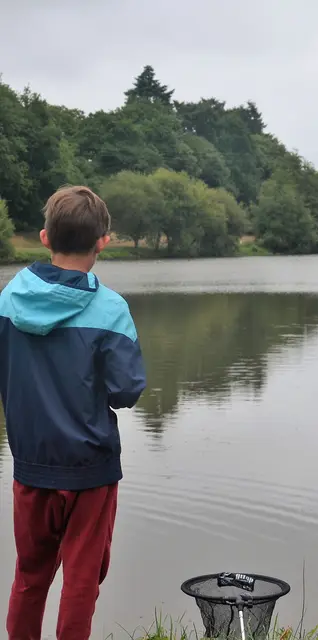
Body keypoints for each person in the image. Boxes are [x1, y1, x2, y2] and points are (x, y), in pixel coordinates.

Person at [0, 186, 147, 640]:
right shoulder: (111, 308)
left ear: (44, 237)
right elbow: (125, 391)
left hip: (30, 466)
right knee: (80, 583)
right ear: (103, 241)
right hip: (90, 471)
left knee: (29, 577)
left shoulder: (6, 301)